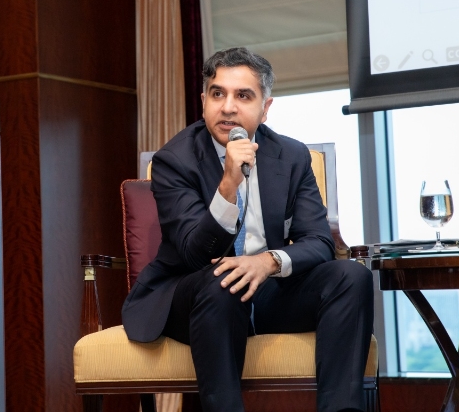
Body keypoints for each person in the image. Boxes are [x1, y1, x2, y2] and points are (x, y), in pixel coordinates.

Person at [121, 47, 374, 412]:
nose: (228, 107)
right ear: (204, 101)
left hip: (267, 290)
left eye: (243, 96)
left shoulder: (291, 156)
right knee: (224, 279)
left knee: (350, 276)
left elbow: (319, 242)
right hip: (193, 295)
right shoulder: (174, 161)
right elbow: (195, 254)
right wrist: (228, 184)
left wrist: (267, 262)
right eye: (217, 94)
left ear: (265, 108)